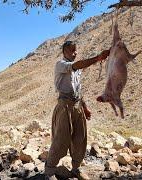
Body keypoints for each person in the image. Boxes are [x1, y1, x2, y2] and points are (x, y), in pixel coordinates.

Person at [44, 40, 110, 180]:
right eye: (72, 50)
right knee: (61, 139)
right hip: (64, 107)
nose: (75, 53)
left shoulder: (77, 70)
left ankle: (76, 168)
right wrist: (98, 58)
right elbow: (77, 64)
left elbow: (78, 91)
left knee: (80, 138)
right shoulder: (61, 64)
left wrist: (85, 108)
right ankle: (49, 171)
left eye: (76, 50)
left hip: (77, 106)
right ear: (64, 52)